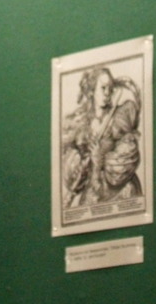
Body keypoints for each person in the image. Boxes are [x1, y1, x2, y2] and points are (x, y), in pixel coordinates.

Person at [60, 65, 143, 212]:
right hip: (92, 191)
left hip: (118, 190)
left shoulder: (119, 118)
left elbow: (128, 157)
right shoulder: (82, 122)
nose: (107, 93)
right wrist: (77, 165)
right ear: (91, 91)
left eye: (110, 88)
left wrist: (99, 161)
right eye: (103, 88)